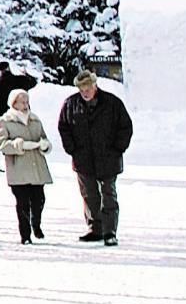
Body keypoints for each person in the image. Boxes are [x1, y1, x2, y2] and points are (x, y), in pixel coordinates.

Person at [57, 70, 133, 246]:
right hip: (83, 159)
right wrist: (72, 149)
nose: (84, 92)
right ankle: (95, 228)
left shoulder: (112, 103)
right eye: (81, 89)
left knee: (108, 195)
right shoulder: (70, 104)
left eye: (87, 88)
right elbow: (64, 127)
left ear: (94, 85)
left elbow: (125, 127)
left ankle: (110, 231)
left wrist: (117, 149)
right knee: (89, 195)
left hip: (108, 158)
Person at [0, 89, 52, 244]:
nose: (25, 105)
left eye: (27, 102)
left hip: (36, 166)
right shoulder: (4, 121)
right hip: (18, 168)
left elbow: (43, 137)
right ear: (14, 104)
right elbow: (1, 144)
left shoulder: (35, 119)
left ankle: (36, 225)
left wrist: (45, 145)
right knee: (23, 203)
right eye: (22, 102)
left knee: (39, 199)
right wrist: (18, 145)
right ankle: (25, 234)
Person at [0, 60, 36, 177]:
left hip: (4, 118)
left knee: (7, 142)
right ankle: (24, 166)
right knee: (21, 140)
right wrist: (26, 73)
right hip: (21, 117)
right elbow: (33, 82)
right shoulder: (19, 80)